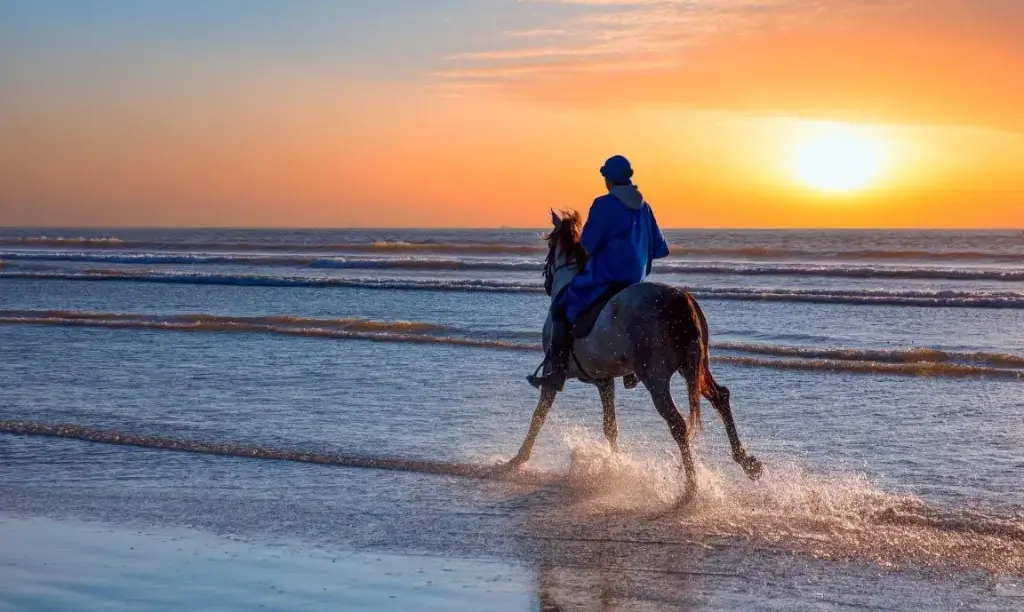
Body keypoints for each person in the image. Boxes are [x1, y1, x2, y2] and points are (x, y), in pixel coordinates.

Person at [528, 155, 670, 392]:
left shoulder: (603, 204)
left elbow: (587, 245)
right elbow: (660, 249)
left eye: (605, 177)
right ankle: (633, 368)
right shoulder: (645, 207)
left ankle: (556, 372)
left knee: (561, 306)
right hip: (635, 281)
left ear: (609, 180)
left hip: (606, 278)